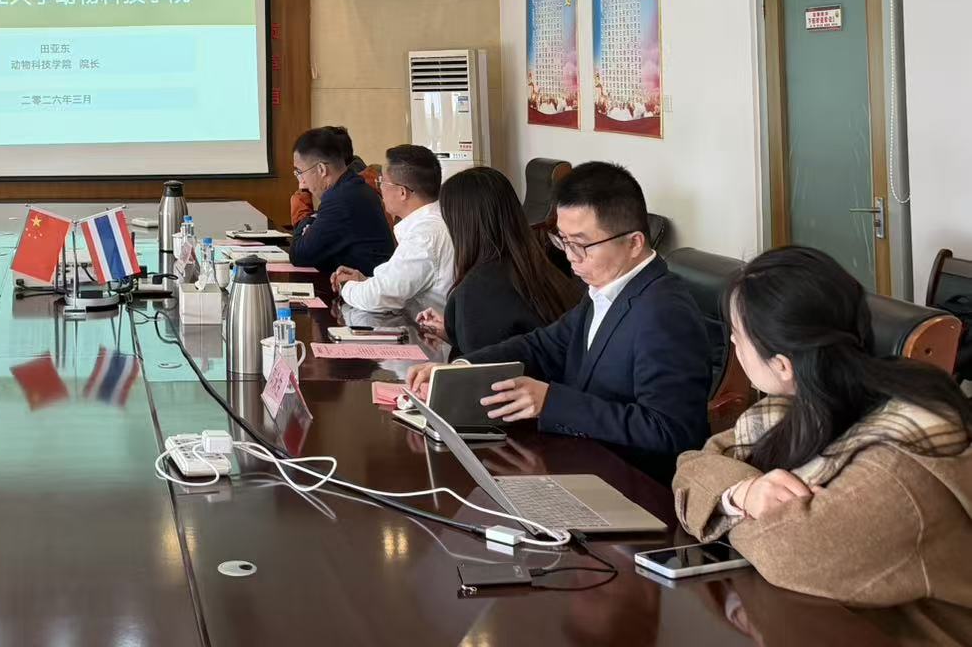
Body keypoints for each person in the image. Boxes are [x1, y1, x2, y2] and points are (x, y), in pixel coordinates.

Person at [674, 247, 972, 639]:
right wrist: (745, 494)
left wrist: (727, 506)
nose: (732, 343)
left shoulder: (901, 464)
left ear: (783, 365)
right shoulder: (798, 407)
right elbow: (693, 465)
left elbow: (787, 551)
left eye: (738, 337)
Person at [405, 161, 711, 480]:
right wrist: (460, 371)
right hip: (580, 462)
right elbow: (542, 345)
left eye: (581, 244)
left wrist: (551, 402)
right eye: (563, 240)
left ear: (634, 243)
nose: (570, 257)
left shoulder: (664, 313)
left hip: (630, 483)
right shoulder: (606, 288)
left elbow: (670, 432)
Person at [414, 166, 580, 358]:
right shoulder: (539, 266)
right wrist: (456, 331)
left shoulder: (479, 289)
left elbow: (485, 369)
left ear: (460, 224)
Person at [331, 144, 454, 318]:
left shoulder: (425, 235)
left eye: (382, 182)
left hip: (426, 332)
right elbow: (397, 284)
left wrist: (345, 286)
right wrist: (364, 281)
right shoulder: (435, 221)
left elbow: (379, 297)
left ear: (402, 192)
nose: (380, 188)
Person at [287, 126, 393, 276]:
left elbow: (299, 254)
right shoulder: (352, 186)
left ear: (321, 169)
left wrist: (309, 219)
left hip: (365, 287)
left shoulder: (341, 200)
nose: (302, 180)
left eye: (300, 172)